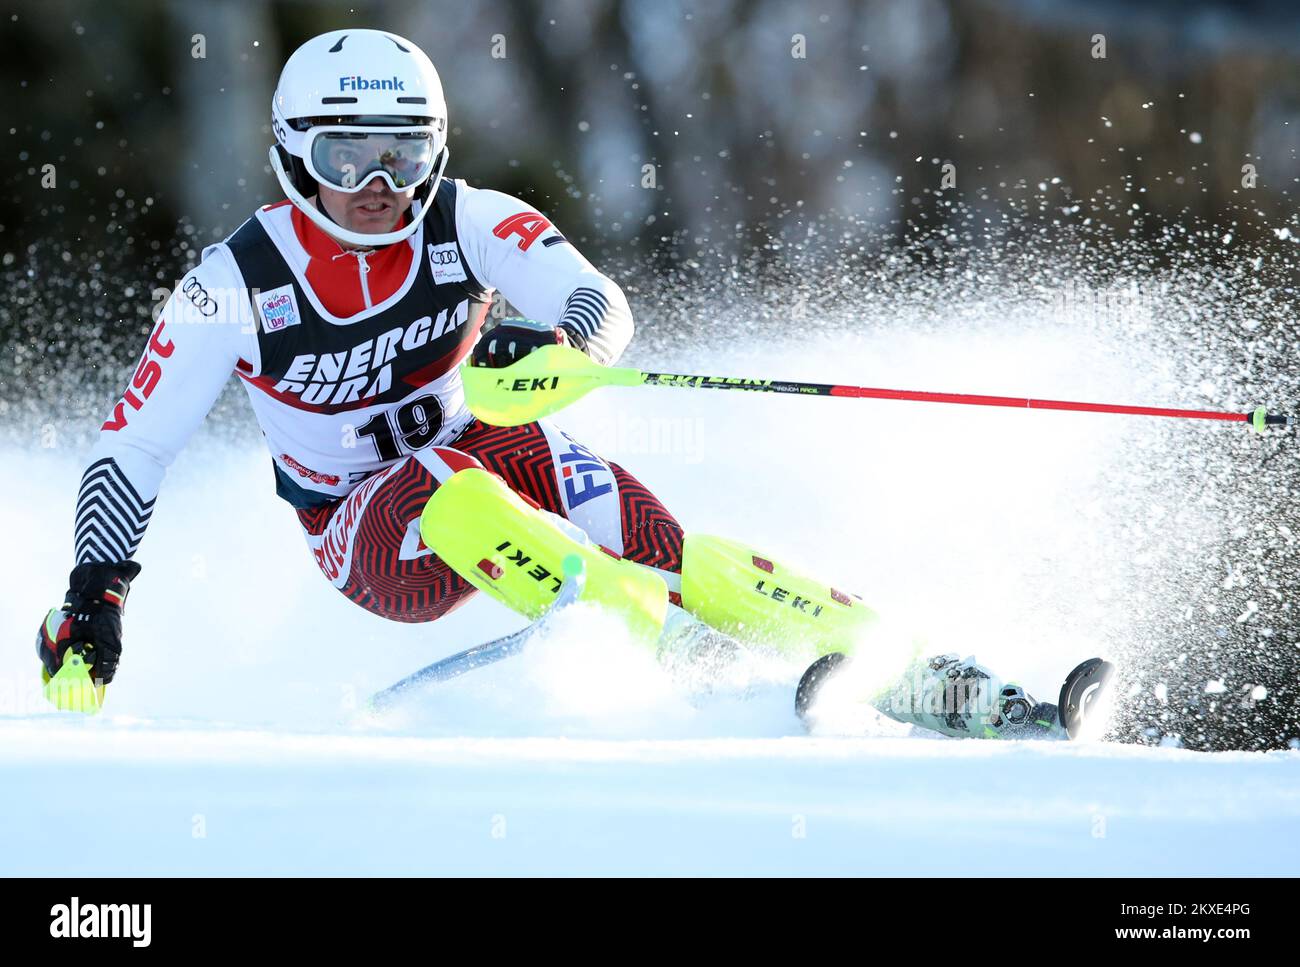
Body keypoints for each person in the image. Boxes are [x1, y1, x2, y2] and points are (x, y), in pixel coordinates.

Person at [36, 29, 1055, 739]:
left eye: (404, 153)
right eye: (351, 156)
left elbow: (597, 302)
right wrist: (97, 592)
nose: (382, 186)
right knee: (459, 490)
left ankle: (902, 660)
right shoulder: (231, 285)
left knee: (664, 544)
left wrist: (557, 347)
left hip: (478, 451)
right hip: (362, 524)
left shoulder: (468, 219)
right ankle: (653, 652)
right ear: (295, 159)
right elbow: (134, 445)